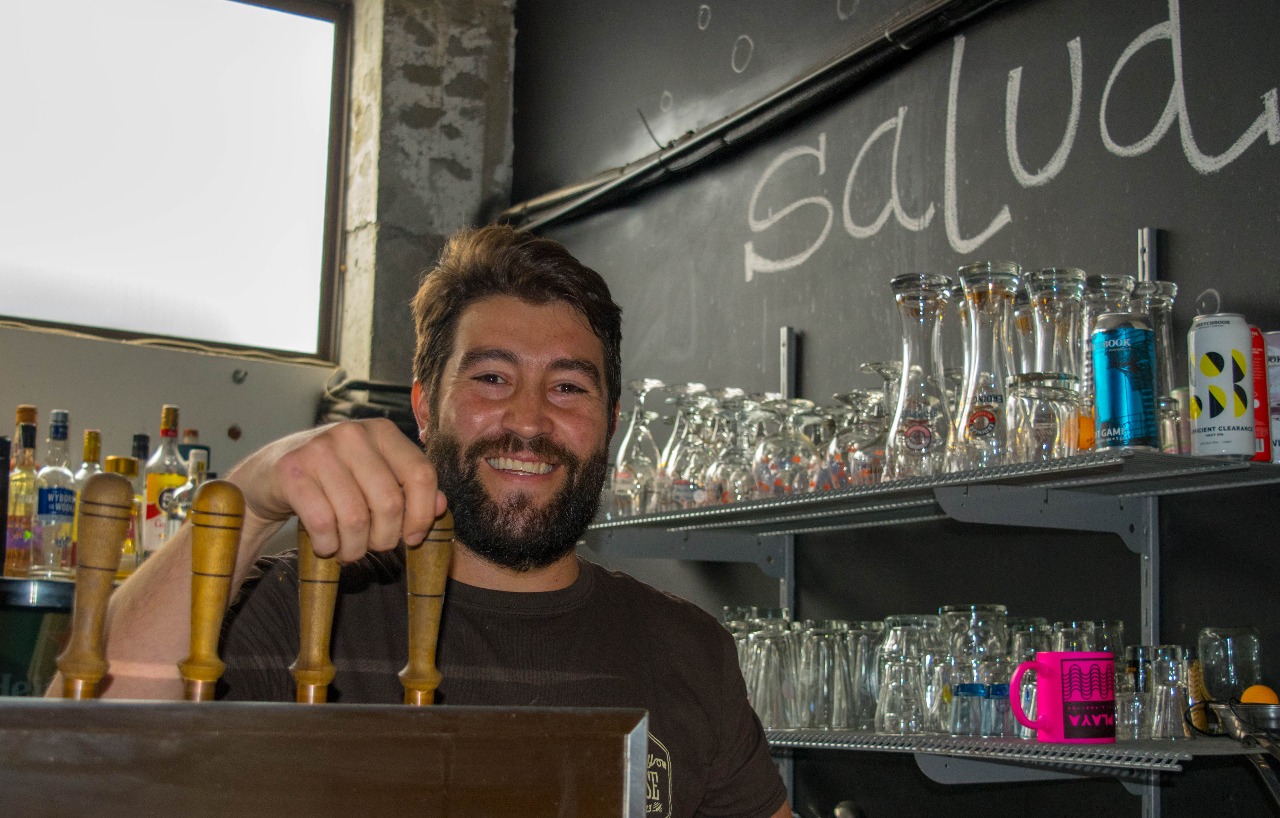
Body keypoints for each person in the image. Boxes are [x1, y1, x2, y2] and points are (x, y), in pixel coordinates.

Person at [72, 225, 791, 818]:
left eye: (569, 387)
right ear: (423, 406)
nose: (529, 420)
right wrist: (251, 500)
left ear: (611, 422)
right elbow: (80, 764)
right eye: (491, 378)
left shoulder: (687, 650)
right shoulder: (300, 607)